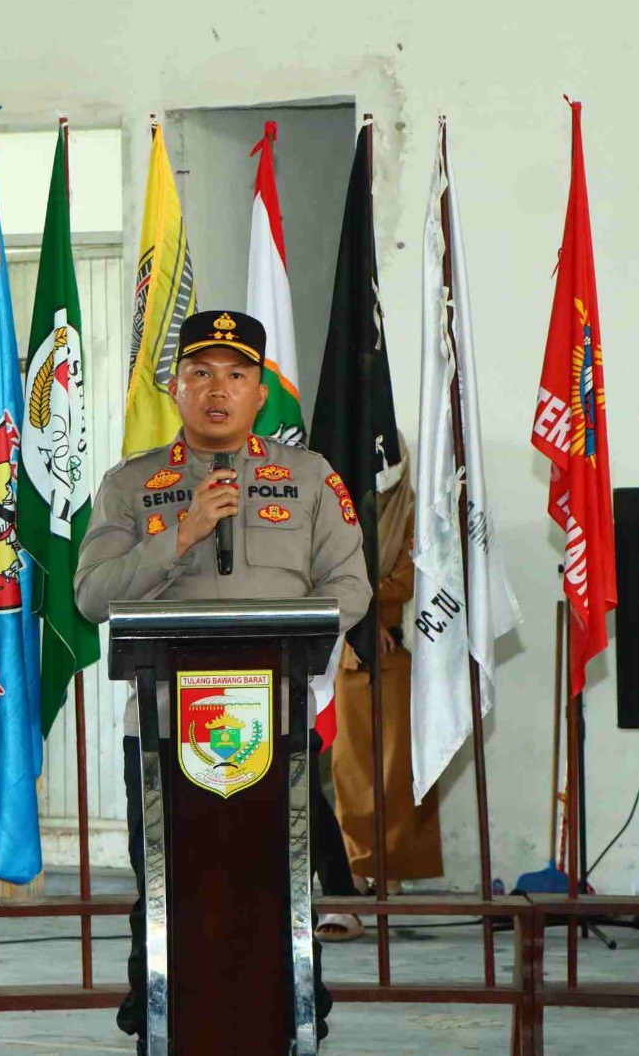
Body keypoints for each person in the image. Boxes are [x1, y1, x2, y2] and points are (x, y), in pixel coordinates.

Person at [75, 310, 372, 1053]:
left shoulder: (309, 478)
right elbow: (91, 596)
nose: (218, 389)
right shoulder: (131, 484)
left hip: (276, 724)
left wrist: (293, 630)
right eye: (201, 373)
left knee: (281, 880)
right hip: (163, 728)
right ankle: (159, 1015)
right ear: (176, 387)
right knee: (166, 883)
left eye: (237, 375)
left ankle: (295, 1012)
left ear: (260, 391)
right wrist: (181, 535)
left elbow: (351, 587)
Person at [330, 437, 444, 890]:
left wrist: (364, 604)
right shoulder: (338, 510)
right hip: (348, 651)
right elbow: (325, 574)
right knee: (351, 767)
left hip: (399, 651)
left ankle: (391, 867)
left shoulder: (413, 512)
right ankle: (358, 864)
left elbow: (411, 577)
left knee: (398, 767)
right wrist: (362, 617)